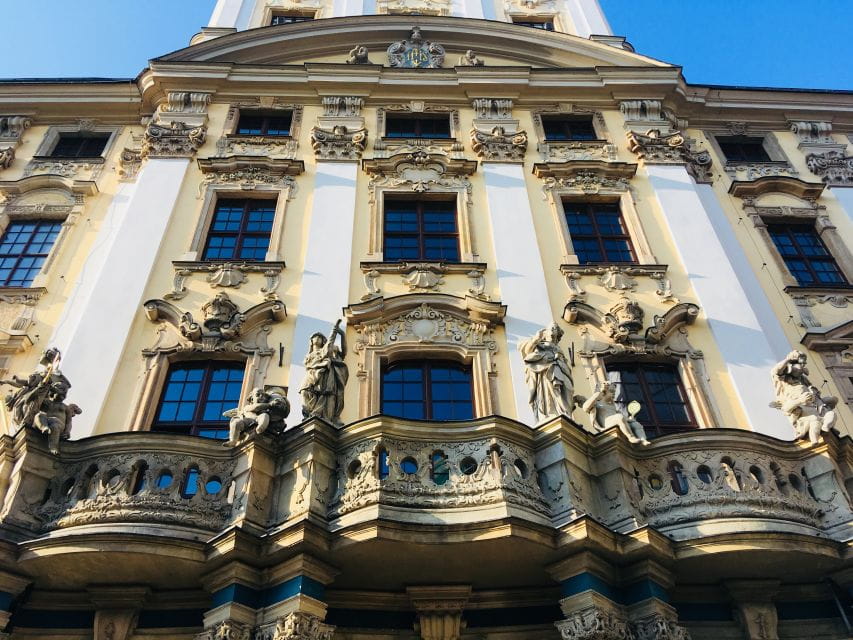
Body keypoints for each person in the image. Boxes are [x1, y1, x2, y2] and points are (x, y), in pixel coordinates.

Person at [519, 322, 575, 423]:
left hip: (561, 370)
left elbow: (565, 363)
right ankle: (551, 413)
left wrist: (559, 359)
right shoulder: (540, 344)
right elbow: (527, 352)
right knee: (550, 391)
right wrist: (536, 339)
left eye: (555, 329)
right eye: (551, 329)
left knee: (568, 389)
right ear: (545, 333)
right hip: (546, 371)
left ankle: (566, 413)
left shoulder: (558, 348)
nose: (553, 331)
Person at [300, 320, 349, 425]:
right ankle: (308, 414)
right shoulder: (310, 355)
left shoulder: (329, 350)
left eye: (320, 337)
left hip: (328, 374)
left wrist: (340, 333)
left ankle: (327, 417)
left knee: (328, 396)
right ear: (311, 341)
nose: (317, 338)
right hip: (313, 373)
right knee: (304, 391)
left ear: (323, 341)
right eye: (315, 337)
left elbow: (340, 351)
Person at [583, 382, 650, 445]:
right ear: (603, 392)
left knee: (635, 424)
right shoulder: (597, 404)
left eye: (614, 392)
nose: (614, 394)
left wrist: (629, 419)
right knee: (619, 417)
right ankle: (631, 437)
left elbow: (623, 418)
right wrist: (597, 394)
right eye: (611, 391)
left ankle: (643, 440)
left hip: (615, 420)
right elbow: (585, 408)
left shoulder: (612, 406)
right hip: (607, 423)